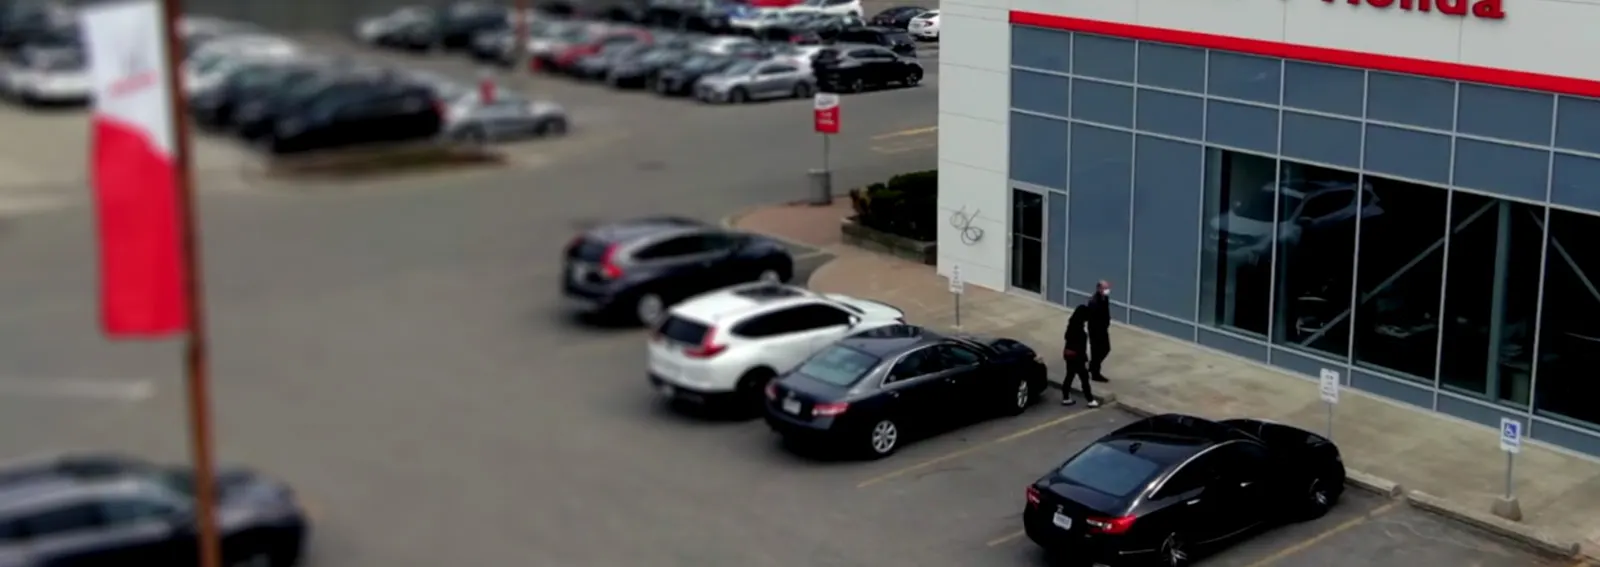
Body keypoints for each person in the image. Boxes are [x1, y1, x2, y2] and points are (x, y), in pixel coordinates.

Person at [1061, 305, 1099, 407]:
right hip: (1077, 358)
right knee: (1084, 378)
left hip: (1068, 354)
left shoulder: (1071, 326)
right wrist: (1085, 361)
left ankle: (1065, 397)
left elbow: (1067, 339)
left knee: (1069, 375)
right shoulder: (1081, 333)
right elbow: (1081, 350)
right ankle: (1090, 400)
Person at [1088, 280, 1113, 383]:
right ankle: (1095, 373)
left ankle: (1093, 365)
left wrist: (1107, 322)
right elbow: (1092, 318)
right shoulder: (1094, 302)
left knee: (1106, 348)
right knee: (1096, 352)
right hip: (1095, 331)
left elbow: (1106, 312)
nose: (1107, 290)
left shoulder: (1105, 298)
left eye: (1108, 288)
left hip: (1103, 329)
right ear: (1099, 289)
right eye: (1105, 288)